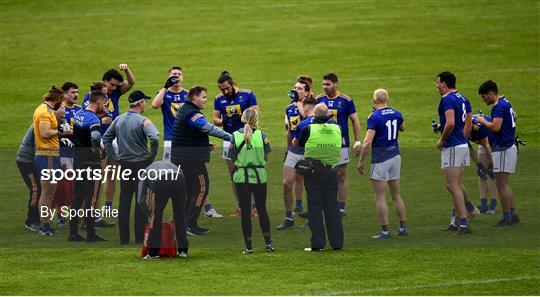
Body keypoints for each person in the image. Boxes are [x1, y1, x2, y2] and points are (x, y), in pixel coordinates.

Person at [152, 66, 222, 219]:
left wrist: (203, 142)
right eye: (173, 75)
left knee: (195, 177)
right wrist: (165, 86)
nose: (176, 77)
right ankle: (175, 211)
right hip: (171, 142)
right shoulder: (164, 93)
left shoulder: (187, 95)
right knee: (175, 178)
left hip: (187, 142)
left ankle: (206, 208)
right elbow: (155, 105)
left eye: (179, 74)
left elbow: (196, 123)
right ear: (169, 77)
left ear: (182, 77)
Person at [172, 86, 232, 236]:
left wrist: (204, 144)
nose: (206, 100)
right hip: (191, 160)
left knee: (191, 190)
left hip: (183, 157)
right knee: (201, 189)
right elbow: (208, 128)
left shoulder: (185, 109)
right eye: (203, 97)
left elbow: (188, 133)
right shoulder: (193, 113)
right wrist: (232, 137)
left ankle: (183, 223)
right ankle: (189, 224)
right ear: (194, 98)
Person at [103, 90, 159, 245]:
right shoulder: (143, 120)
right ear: (140, 103)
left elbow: (106, 138)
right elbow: (154, 137)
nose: (146, 104)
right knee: (140, 200)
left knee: (124, 201)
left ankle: (124, 239)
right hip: (141, 165)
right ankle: (139, 238)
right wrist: (151, 155)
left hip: (125, 165)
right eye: (144, 101)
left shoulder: (119, 120)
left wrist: (114, 156)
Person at [83, 65, 136, 221]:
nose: (114, 88)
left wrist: (126, 70)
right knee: (97, 175)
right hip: (98, 139)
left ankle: (107, 206)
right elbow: (85, 118)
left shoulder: (116, 93)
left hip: (114, 138)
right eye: (111, 84)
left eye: (116, 85)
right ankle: (92, 210)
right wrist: (100, 120)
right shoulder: (91, 97)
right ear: (104, 82)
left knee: (112, 173)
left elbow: (131, 83)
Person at [357, 89, 408, 239]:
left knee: (380, 197)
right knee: (396, 194)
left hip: (380, 159)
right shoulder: (397, 113)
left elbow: (367, 142)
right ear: (387, 99)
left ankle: (385, 230)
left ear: (374, 100)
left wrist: (361, 161)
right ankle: (403, 227)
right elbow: (403, 128)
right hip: (395, 156)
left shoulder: (374, 117)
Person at [297, 103, 344, 252]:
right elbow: (342, 143)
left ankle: (318, 244)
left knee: (315, 208)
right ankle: (337, 243)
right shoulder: (337, 128)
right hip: (332, 173)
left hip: (314, 174)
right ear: (329, 115)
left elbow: (299, 143)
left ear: (314, 115)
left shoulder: (308, 129)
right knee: (333, 207)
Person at [213, 71, 259, 217]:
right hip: (229, 140)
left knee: (250, 172)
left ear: (232, 84)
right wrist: (224, 121)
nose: (225, 92)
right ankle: (241, 207)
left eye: (227, 88)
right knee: (234, 174)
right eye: (222, 90)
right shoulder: (218, 99)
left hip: (247, 138)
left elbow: (255, 114)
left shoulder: (247, 94)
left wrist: (242, 119)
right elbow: (215, 119)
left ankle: (254, 207)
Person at [228, 109, 274, 254]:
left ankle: (248, 247)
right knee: (262, 209)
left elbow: (232, 157)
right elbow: (266, 156)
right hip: (259, 176)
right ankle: (268, 243)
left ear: (242, 118)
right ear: (256, 119)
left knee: (245, 211)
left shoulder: (235, 136)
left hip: (242, 177)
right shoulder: (263, 135)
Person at [316, 73, 361, 217]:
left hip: (342, 144)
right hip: (322, 144)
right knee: (322, 175)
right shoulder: (318, 99)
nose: (325, 87)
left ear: (336, 84)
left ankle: (341, 207)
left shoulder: (346, 100)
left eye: (328, 84)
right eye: (323, 84)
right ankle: (324, 205)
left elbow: (355, 121)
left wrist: (358, 141)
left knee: (341, 175)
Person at [475, 80, 520, 226]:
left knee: (501, 185)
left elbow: (495, 127)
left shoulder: (498, 107)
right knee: (505, 185)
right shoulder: (506, 102)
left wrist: (482, 120)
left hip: (503, 149)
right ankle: (513, 214)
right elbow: (516, 117)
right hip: (509, 146)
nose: (483, 100)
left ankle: (507, 217)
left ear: (491, 93)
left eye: (484, 97)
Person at [435, 71, 473, 235]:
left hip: (452, 146)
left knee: (451, 185)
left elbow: (450, 122)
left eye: (438, 82)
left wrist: (442, 139)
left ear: (444, 83)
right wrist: (462, 139)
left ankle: (464, 223)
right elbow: (469, 122)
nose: (436, 86)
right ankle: (456, 221)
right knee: (457, 184)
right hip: (462, 145)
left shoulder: (447, 99)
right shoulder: (463, 98)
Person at [68, 90, 107, 242]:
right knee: (90, 198)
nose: (104, 106)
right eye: (103, 103)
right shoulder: (93, 120)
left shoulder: (79, 114)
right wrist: (99, 152)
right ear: (98, 102)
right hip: (91, 162)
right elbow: (96, 137)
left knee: (77, 197)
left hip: (78, 160)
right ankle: (91, 234)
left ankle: (73, 233)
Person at [33, 86, 70, 236]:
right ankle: (45, 226)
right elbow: (45, 133)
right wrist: (61, 131)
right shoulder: (44, 113)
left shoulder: (44, 109)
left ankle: (45, 224)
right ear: (57, 99)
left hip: (49, 155)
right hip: (47, 155)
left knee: (49, 191)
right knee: (47, 192)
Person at [277, 78, 311, 230]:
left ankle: (312, 216)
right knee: (286, 183)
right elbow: (289, 131)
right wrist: (287, 149)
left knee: (309, 184)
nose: (296, 91)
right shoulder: (289, 109)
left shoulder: (312, 107)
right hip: (294, 151)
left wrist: (299, 104)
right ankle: (289, 217)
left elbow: (306, 118)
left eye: (300, 89)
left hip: (308, 152)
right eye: (295, 88)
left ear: (307, 92)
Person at [138, 160, 189, 259]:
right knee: (180, 215)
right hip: (180, 179)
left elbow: (140, 200)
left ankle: (153, 253)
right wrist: (176, 214)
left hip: (162, 180)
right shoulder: (168, 163)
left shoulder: (144, 173)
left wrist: (150, 214)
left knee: (156, 216)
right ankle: (183, 251)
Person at [52, 82, 81, 227]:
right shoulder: (59, 111)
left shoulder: (80, 110)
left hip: (77, 154)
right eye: (72, 92)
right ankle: (61, 215)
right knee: (62, 187)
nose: (75, 95)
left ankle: (75, 215)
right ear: (64, 94)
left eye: (77, 92)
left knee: (76, 186)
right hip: (63, 153)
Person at [469, 114, 498, 214]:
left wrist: (491, 164)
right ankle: (483, 204)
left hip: (494, 144)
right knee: (481, 173)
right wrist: (479, 165)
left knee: (493, 174)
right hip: (482, 143)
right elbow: (468, 147)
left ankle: (493, 204)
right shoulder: (460, 128)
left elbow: (487, 145)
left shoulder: (479, 127)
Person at [16, 124, 41, 231]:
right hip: (27, 160)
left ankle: (37, 218)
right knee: (36, 189)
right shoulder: (43, 121)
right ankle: (31, 220)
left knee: (40, 189)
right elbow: (38, 145)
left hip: (32, 160)